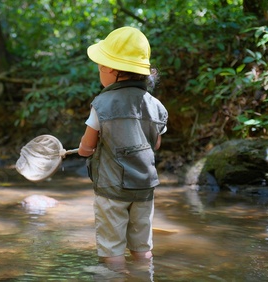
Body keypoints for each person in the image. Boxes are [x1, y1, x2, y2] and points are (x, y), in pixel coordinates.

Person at [78, 26, 168, 273]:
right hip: (144, 188)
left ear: (111, 70)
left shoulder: (101, 105)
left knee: (112, 249)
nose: (100, 73)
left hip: (111, 189)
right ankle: (143, 276)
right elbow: (156, 143)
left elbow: (87, 146)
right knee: (142, 247)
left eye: (100, 68)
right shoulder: (156, 106)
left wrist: (85, 151)